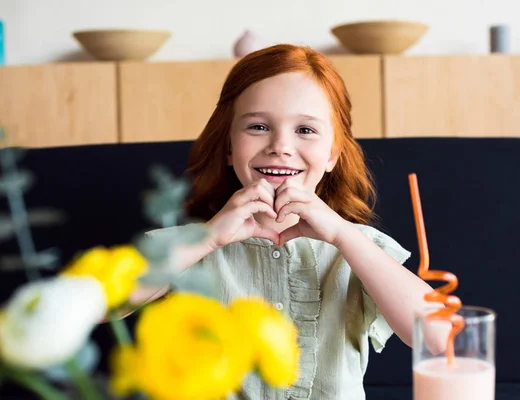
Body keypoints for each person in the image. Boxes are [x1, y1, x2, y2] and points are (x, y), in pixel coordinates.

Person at [137, 44, 444, 400]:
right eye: (258, 126)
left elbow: (438, 339)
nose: (280, 146)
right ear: (228, 148)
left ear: (332, 154)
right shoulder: (191, 244)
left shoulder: (359, 246)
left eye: (305, 130)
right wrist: (208, 238)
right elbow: (101, 305)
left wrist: (344, 236)